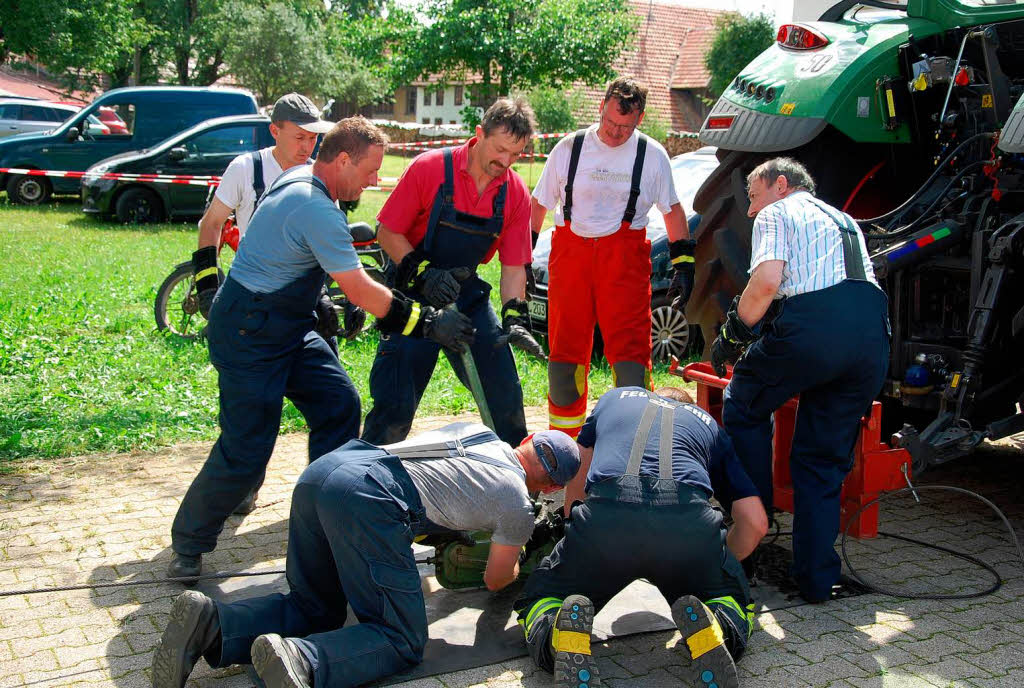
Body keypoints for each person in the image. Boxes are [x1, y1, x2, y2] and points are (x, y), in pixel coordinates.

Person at [167, 117, 477, 581]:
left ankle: (322, 517)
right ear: (344, 159)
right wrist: (429, 323)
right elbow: (361, 291)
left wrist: (316, 302)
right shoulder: (317, 208)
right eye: (372, 170)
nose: (376, 181)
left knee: (338, 405)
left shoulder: (303, 178)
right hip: (248, 333)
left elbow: (288, 253)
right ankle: (188, 545)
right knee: (247, 446)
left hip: (289, 326)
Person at [152, 425, 582, 688]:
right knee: (402, 638)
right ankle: (304, 662)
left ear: (525, 441)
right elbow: (494, 580)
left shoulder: (479, 432)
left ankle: (212, 625)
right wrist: (522, 564)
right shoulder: (518, 505)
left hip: (329, 470)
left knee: (314, 606)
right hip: (370, 499)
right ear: (548, 489)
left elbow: (441, 485)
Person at [712, 157, 890, 603]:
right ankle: (815, 578)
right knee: (821, 459)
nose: (750, 210)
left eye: (752, 197)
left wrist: (733, 335)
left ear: (780, 185)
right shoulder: (845, 219)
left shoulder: (778, 212)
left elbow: (767, 282)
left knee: (744, 403)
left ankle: (746, 549)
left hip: (816, 327)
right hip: (872, 337)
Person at [514, 387, 767, 688]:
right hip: (688, 528)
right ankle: (718, 627)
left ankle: (558, 635)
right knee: (731, 600)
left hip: (606, 522)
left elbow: (578, 480)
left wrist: (577, 544)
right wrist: (719, 564)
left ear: (653, 393)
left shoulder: (614, 399)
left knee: (541, 598)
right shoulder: (711, 427)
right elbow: (755, 523)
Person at [191, 93, 361, 516]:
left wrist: (332, 296)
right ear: (275, 131)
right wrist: (209, 285)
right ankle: (242, 486)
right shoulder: (245, 169)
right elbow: (211, 225)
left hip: (300, 307)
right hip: (253, 304)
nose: (307, 146)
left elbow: (322, 245)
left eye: (313, 138)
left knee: (337, 400)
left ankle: (321, 499)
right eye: (299, 137)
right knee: (250, 427)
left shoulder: (318, 177)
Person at [361, 98, 543, 448]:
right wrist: (425, 274)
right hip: (412, 293)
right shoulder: (429, 168)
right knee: (394, 409)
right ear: (479, 134)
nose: (505, 162)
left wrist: (514, 316)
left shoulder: (515, 192)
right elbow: (387, 232)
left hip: (466, 294)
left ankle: (521, 485)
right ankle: (362, 480)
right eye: (500, 149)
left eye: (516, 155)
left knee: (504, 395)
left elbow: (513, 265)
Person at [530, 77, 693, 439]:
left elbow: (673, 211)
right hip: (570, 259)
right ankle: (564, 443)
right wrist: (523, 257)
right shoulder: (569, 149)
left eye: (626, 126)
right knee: (565, 355)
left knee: (630, 356)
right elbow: (539, 203)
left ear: (640, 118)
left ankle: (631, 443)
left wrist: (684, 263)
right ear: (601, 106)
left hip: (624, 264)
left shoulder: (651, 155)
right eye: (611, 123)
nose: (617, 133)